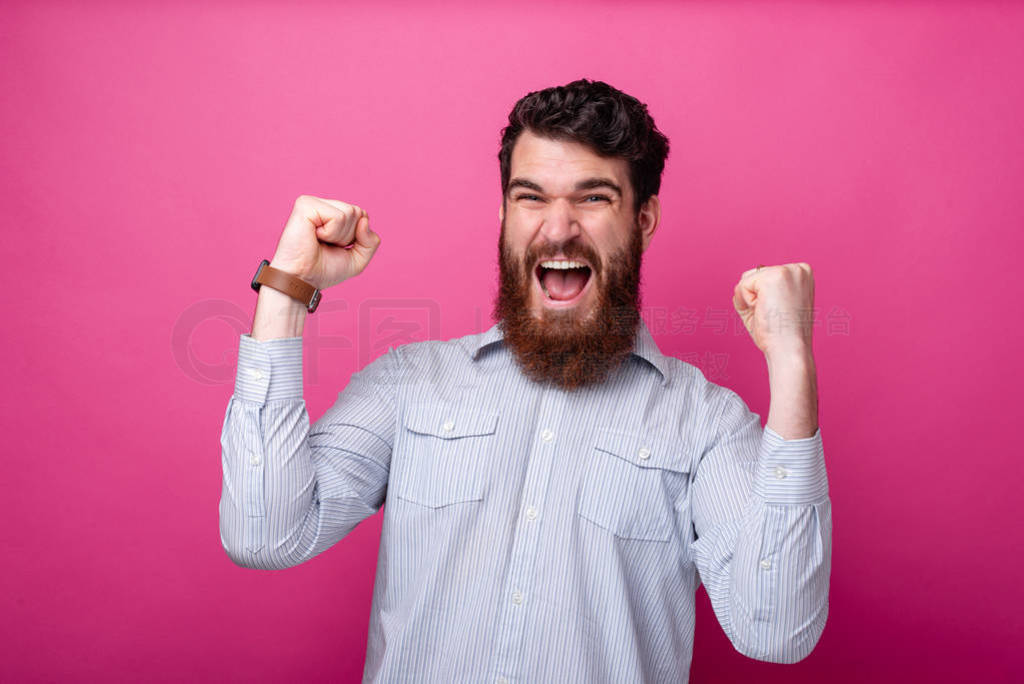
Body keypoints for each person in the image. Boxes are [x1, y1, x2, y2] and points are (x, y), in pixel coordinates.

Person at [219, 79, 830, 683]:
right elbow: (265, 532)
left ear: (644, 218)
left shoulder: (706, 422)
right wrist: (288, 284)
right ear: (505, 211)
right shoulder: (410, 383)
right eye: (531, 197)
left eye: (593, 199)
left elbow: (775, 631)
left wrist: (791, 360)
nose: (558, 229)